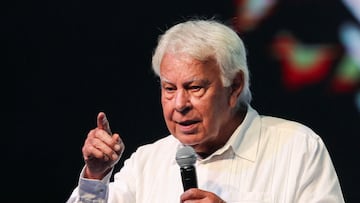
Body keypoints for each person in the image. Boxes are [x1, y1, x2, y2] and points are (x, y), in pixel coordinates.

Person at [66, 18, 345, 203]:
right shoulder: (148, 162)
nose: (180, 104)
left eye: (195, 87)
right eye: (169, 88)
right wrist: (94, 176)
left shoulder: (298, 148)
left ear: (234, 86)